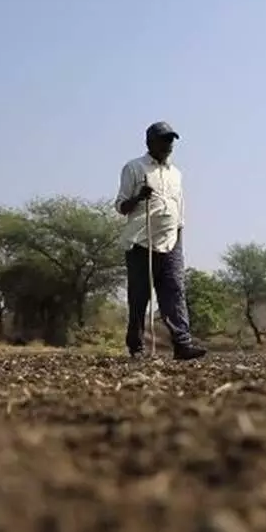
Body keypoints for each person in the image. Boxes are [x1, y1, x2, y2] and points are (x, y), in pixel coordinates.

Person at [114, 121, 207, 361]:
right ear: (149, 142)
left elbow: (180, 209)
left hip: (172, 240)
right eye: (164, 140)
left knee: (175, 291)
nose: (169, 145)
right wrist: (138, 197)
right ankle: (136, 347)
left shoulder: (176, 173)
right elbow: (121, 207)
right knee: (139, 296)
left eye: (171, 140)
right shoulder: (134, 168)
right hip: (140, 242)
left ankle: (182, 344)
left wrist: (179, 238)